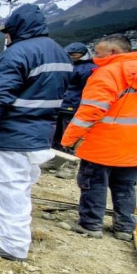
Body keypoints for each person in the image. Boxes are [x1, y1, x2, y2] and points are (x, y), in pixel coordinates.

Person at [0, 4, 70, 261]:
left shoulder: (17, 54)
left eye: (8, 32)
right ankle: (10, 230)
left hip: (11, 135)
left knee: (6, 188)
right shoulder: (59, 53)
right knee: (21, 186)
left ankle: (13, 244)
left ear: (17, 29)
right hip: (39, 134)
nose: (6, 37)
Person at [61, 34, 137, 241]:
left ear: (113, 52)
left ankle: (91, 224)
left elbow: (91, 110)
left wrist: (69, 139)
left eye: (98, 52)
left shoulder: (108, 73)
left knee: (94, 183)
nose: (95, 57)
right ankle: (124, 227)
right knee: (125, 186)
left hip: (103, 143)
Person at [50, 42, 97, 179]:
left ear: (81, 54)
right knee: (56, 136)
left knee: (71, 137)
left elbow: (88, 91)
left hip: (74, 107)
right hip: (60, 105)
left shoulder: (89, 69)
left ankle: (71, 165)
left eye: (73, 54)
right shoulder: (66, 65)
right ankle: (55, 160)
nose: (71, 56)